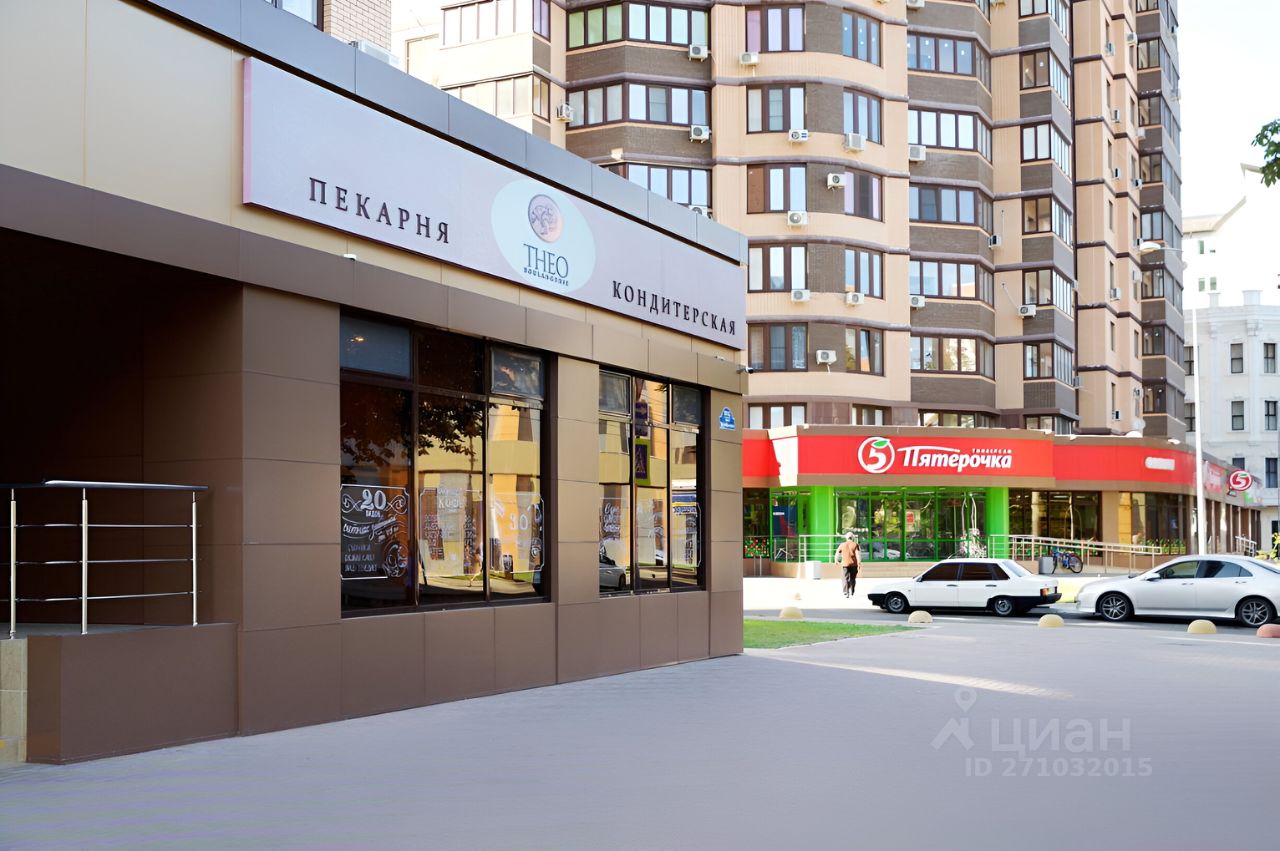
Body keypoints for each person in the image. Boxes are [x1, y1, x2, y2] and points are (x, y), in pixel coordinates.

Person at [835, 532, 861, 599]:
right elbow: (858, 555)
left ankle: (846, 592)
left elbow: (837, 553)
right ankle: (852, 591)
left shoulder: (842, 545)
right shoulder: (855, 545)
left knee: (845, 578)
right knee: (853, 578)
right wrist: (859, 563)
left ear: (846, 538)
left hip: (845, 564)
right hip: (854, 564)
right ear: (853, 538)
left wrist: (836, 560)